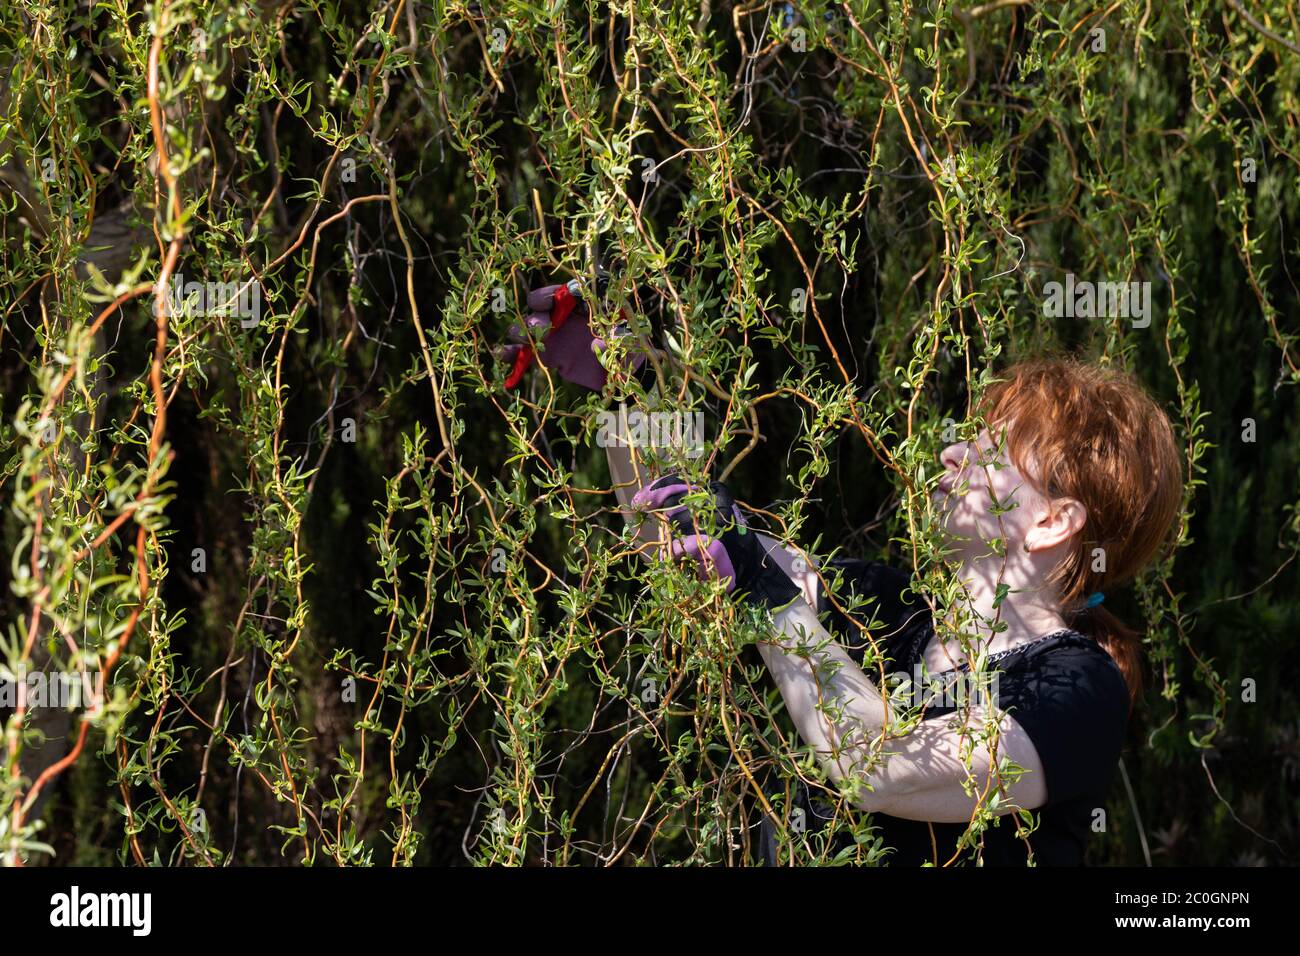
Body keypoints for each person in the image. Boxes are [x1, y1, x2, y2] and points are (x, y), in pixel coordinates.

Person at [501, 282, 1183, 866]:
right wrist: (629, 381)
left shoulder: (1077, 690)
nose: (949, 451)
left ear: (1053, 523)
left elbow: (882, 767)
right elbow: (678, 545)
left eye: (989, 448)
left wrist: (767, 592)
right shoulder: (879, 606)